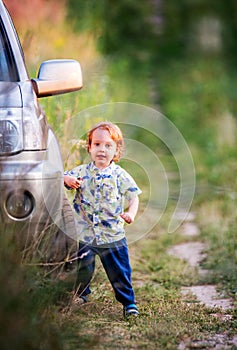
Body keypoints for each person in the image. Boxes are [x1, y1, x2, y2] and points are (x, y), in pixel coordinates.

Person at [64, 121, 141, 318]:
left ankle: (128, 303)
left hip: (112, 235)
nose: (102, 149)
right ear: (89, 147)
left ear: (116, 150)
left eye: (108, 145)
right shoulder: (81, 172)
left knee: (119, 271)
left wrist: (130, 214)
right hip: (85, 234)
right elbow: (61, 177)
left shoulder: (119, 175)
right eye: (97, 144)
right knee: (82, 267)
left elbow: (134, 196)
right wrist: (67, 180)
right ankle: (81, 295)